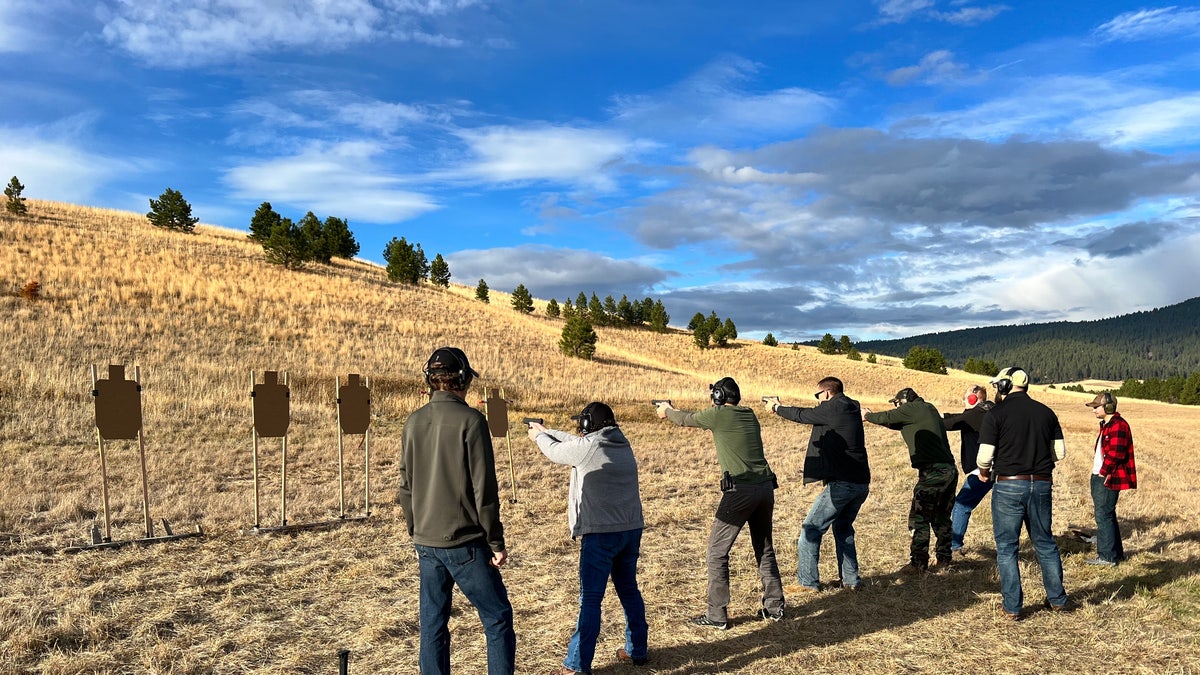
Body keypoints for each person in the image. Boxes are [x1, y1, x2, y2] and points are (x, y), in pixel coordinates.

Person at [398, 346, 516, 675]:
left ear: (431, 381)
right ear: (462, 379)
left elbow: (405, 487)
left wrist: (416, 529)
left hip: (426, 542)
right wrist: (496, 542)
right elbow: (484, 491)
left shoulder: (413, 421)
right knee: (497, 618)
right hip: (465, 543)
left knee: (433, 626)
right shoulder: (472, 421)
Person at [528, 402, 649, 673]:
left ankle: (576, 665)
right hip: (630, 530)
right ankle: (637, 650)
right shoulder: (622, 444)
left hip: (600, 534)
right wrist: (547, 429)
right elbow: (577, 442)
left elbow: (555, 451)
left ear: (587, 425)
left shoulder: (589, 448)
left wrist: (538, 436)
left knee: (591, 600)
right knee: (629, 590)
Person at [657, 377, 785, 628]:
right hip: (765, 488)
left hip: (739, 492)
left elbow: (685, 419)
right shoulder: (750, 415)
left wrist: (666, 410)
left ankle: (716, 615)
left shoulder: (718, 415)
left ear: (718, 396)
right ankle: (775, 607)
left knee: (716, 553)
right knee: (764, 549)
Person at [976, 366, 1070, 620]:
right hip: (1041, 483)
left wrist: (984, 472)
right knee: (1045, 542)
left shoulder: (995, 414)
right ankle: (1058, 600)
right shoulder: (1047, 413)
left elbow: (985, 456)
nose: (996, 390)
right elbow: (1059, 453)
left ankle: (1013, 607)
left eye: (997, 386)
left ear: (1005, 386)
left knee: (1007, 548)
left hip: (1008, 484)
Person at [766, 376, 870, 591]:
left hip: (843, 483)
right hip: (860, 482)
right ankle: (851, 580)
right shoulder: (851, 406)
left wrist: (777, 408)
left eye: (818, 395)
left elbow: (802, 415)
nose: (818, 400)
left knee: (810, 531)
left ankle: (807, 582)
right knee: (843, 529)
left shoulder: (834, 408)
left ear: (826, 393)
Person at [862, 387, 957, 571]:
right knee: (941, 517)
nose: (897, 408)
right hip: (948, 470)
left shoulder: (912, 408)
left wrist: (867, 415)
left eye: (897, 404)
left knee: (919, 517)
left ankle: (918, 563)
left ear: (904, 401)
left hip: (933, 472)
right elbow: (894, 422)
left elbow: (888, 417)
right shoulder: (927, 408)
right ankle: (944, 559)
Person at [1085, 392, 1137, 567]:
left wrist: (1103, 472)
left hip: (1108, 478)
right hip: (1101, 476)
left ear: (1108, 407)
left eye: (1096, 407)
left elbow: (1116, 453)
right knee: (1108, 514)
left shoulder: (1118, 426)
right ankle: (1116, 554)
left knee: (1103, 516)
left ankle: (1107, 557)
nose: (1093, 410)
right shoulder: (1107, 425)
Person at [942, 385, 995, 555]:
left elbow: (949, 423)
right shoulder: (988, 411)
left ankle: (954, 546)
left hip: (982, 471)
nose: (964, 400)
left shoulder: (976, 414)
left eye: (966, 398)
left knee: (961, 505)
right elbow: (960, 417)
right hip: (1000, 468)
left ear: (973, 399)